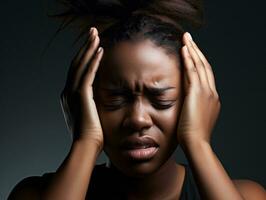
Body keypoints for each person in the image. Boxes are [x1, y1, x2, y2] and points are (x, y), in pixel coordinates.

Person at [8, 0, 265, 199]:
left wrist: (198, 142)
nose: (137, 119)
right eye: (116, 101)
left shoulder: (248, 195)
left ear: (194, 102)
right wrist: (85, 142)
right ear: (86, 103)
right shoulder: (33, 195)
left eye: (161, 100)